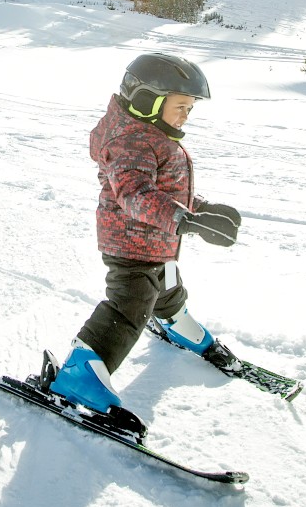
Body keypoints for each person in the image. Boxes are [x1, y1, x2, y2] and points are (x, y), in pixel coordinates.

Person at [50, 53, 241, 413]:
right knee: (132, 302)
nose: (187, 115)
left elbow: (167, 190)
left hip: (158, 241)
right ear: (146, 101)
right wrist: (183, 220)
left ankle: (175, 322)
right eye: (181, 106)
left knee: (168, 286)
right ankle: (79, 375)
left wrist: (201, 210)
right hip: (129, 243)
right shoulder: (131, 141)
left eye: (190, 108)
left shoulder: (154, 135)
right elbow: (135, 193)